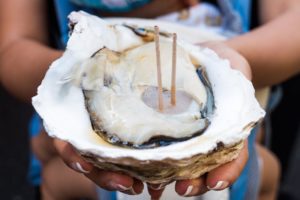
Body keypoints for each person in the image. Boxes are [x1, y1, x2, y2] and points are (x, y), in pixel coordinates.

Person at [0, 0, 299, 199]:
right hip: (85, 143)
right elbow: (11, 48)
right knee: (59, 179)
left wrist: (226, 62)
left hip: (224, 111)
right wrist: (73, 73)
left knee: (262, 175)